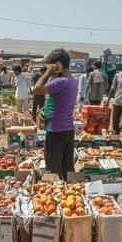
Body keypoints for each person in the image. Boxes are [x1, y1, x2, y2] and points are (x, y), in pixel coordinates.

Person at [32, 48, 77, 180]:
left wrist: (47, 73)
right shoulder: (71, 80)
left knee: (53, 170)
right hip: (67, 129)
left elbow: (36, 89)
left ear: (58, 65)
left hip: (56, 130)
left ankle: (57, 195)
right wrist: (46, 110)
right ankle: (68, 193)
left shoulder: (61, 81)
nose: (49, 68)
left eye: (51, 65)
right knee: (66, 168)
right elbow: (60, 101)